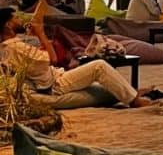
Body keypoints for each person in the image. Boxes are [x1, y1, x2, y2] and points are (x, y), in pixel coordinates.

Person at [0, 7, 153, 108]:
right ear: (8, 25)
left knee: (102, 84)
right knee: (99, 66)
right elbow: (53, 59)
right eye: (16, 18)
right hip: (55, 85)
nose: (20, 20)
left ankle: (132, 92)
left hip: (53, 77)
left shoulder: (8, 46)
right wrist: (41, 34)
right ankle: (134, 101)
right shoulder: (15, 47)